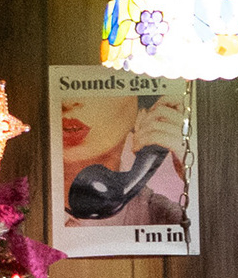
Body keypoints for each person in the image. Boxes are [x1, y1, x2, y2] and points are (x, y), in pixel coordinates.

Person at [60, 90, 189, 225]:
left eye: (98, 86)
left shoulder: (165, 217)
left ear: (143, 114)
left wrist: (193, 176)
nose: (67, 102)